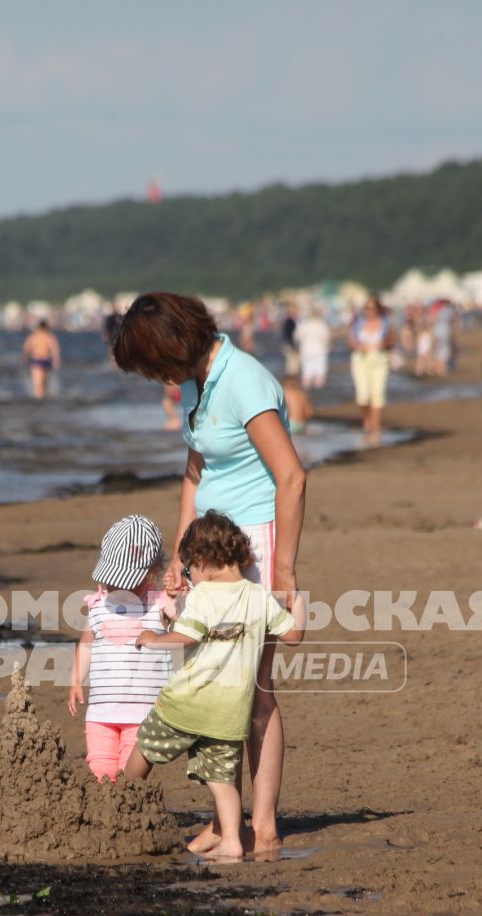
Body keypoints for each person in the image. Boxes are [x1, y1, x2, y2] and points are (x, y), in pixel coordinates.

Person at [110, 291, 308, 856]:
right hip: (209, 549)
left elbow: (291, 477)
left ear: (173, 348)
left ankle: (261, 827)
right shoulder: (197, 383)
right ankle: (225, 822)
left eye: (152, 366)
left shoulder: (244, 380)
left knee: (253, 691)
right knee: (214, 685)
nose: (155, 379)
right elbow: (195, 473)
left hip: (255, 549)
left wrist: (285, 571)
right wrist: (179, 554)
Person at [121, 512, 305, 859]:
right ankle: (232, 841)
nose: (191, 577)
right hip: (231, 713)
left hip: (186, 703)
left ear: (203, 562)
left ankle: (118, 804)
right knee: (222, 779)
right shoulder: (260, 596)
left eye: (190, 570)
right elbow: (294, 635)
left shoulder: (203, 597)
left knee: (145, 747)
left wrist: (153, 638)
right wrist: (297, 596)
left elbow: (186, 638)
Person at [69, 515, 175, 780]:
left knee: (130, 774)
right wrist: (75, 681)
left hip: (143, 711)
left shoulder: (159, 603)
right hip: (101, 710)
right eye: (114, 579)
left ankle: (127, 816)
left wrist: (178, 590)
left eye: (128, 582)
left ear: (153, 572)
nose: (118, 587)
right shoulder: (97, 605)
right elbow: (86, 645)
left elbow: (188, 625)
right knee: (99, 768)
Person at [349, 295, 394, 441]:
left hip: (379, 359)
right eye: (367, 308)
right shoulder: (358, 323)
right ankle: (367, 420)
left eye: (372, 308)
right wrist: (359, 346)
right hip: (360, 359)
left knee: (378, 393)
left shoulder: (386, 323)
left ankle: (375, 425)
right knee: (363, 395)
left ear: (378, 309)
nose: (369, 311)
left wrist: (383, 344)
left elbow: (391, 341)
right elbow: (351, 341)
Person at [22, 319, 60, 399]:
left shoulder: (33, 337)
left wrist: (25, 359)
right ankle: (43, 401)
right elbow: (55, 350)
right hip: (46, 361)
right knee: (44, 384)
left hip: (37, 361)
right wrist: (56, 361)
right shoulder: (49, 337)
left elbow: (26, 350)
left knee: (38, 385)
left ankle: (39, 401)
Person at [297, 307, 331, 389]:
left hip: (306, 351)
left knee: (306, 372)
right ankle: (319, 392)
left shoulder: (303, 325)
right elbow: (327, 337)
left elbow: (297, 337)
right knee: (320, 372)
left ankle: (307, 390)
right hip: (320, 351)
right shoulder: (321, 325)